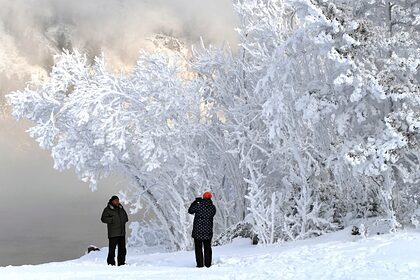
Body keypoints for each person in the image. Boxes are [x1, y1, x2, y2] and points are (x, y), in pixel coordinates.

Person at [188, 191, 216, 268]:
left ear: (203, 197)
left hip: (198, 231)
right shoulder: (213, 208)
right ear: (210, 198)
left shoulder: (198, 205)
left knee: (198, 248)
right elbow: (212, 214)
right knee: (207, 247)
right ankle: (208, 264)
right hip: (208, 231)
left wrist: (195, 202)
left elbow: (190, 211)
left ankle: (200, 264)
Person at [101, 195, 129, 266]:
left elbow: (126, 217)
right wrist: (112, 220)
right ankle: (111, 263)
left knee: (122, 249)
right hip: (113, 233)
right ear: (112, 201)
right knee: (112, 250)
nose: (117, 202)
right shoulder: (107, 209)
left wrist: (123, 220)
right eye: (116, 200)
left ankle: (121, 263)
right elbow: (103, 219)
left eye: (118, 200)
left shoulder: (121, 208)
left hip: (121, 233)